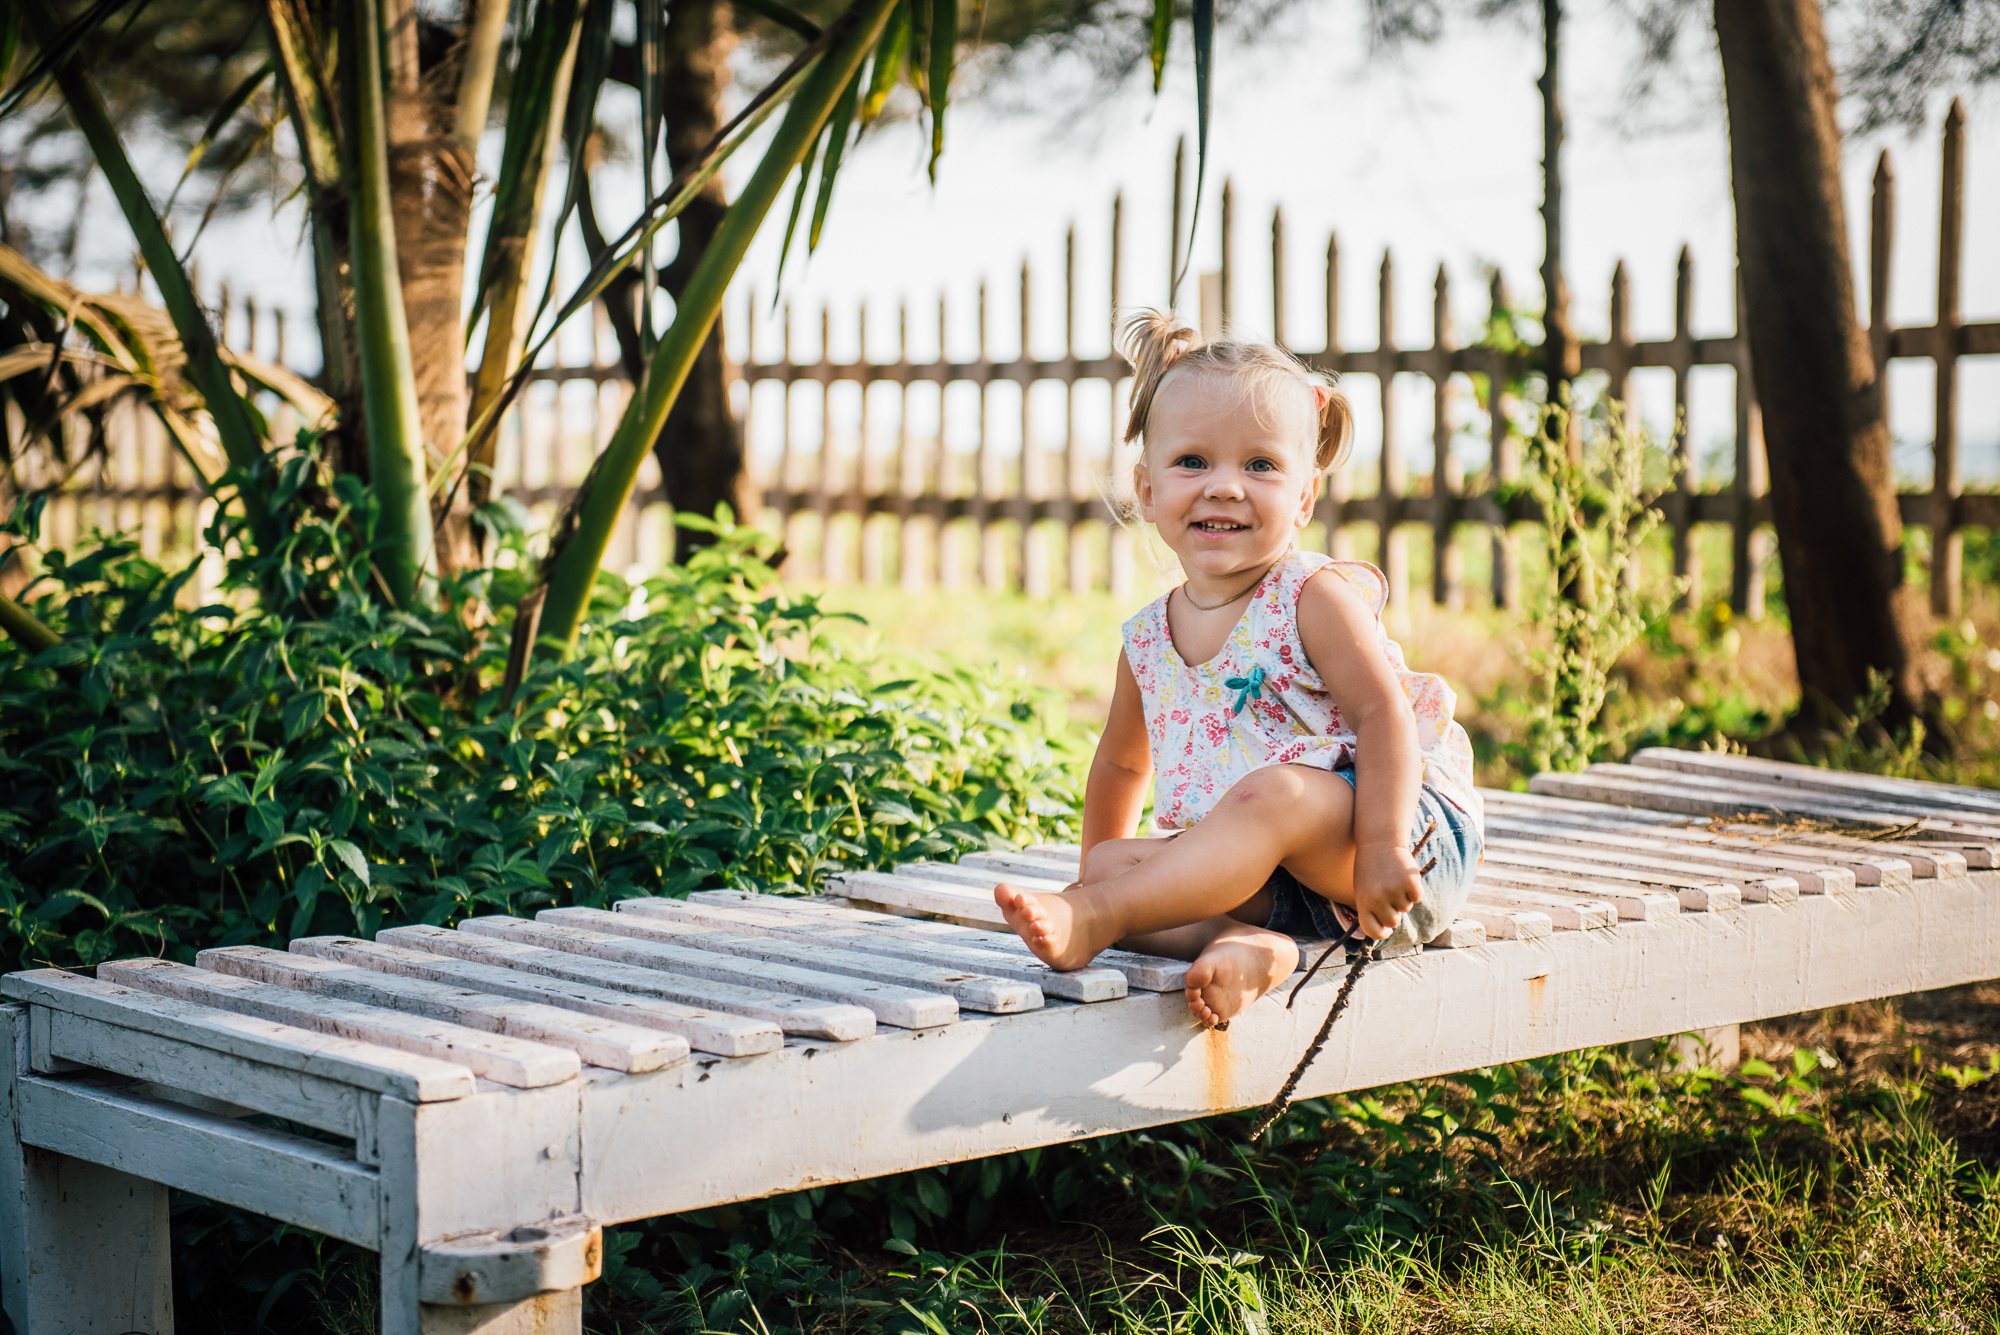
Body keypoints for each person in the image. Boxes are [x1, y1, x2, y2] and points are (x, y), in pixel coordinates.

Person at [995, 310, 1484, 1029]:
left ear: (1304, 496)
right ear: (1149, 489)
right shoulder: (1147, 641)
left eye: (1259, 465)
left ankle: (1102, 914)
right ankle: (1251, 944)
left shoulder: (1312, 597)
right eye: (1194, 461)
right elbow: (1121, 769)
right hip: (1279, 879)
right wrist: (1092, 873)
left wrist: (1381, 846)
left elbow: (1384, 718)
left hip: (1394, 841)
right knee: (1112, 869)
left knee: (1271, 794)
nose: (1225, 486)